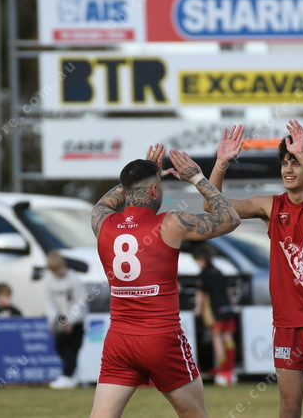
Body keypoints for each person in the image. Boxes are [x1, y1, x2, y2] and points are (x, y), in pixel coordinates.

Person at [206, 121, 303, 418]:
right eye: (285, 163)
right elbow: (212, 208)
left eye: (295, 163)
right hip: (288, 324)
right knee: (289, 408)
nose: (288, 169)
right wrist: (221, 163)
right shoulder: (270, 206)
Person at [89, 144, 240, 418]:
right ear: (154, 191)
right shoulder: (171, 223)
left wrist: (137, 177)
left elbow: (104, 203)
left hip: (119, 340)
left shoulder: (102, 222)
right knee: (195, 414)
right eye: (159, 185)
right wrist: (196, 177)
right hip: (161, 338)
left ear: (126, 190)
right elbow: (230, 218)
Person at [192, 243, 237, 387]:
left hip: (215, 311)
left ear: (201, 259)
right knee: (228, 336)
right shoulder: (219, 272)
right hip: (227, 309)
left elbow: (200, 294)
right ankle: (230, 368)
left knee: (217, 337)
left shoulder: (204, 274)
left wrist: (197, 310)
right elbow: (229, 292)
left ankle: (222, 368)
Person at [46, 250, 88, 390]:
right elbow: (49, 303)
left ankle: (68, 375)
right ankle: (71, 374)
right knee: (60, 348)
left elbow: (79, 301)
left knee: (72, 348)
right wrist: (54, 320)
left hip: (75, 321)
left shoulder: (74, 279)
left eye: (59, 269)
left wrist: (71, 320)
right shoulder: (48, 281)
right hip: (59, 320)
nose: (58, 273)